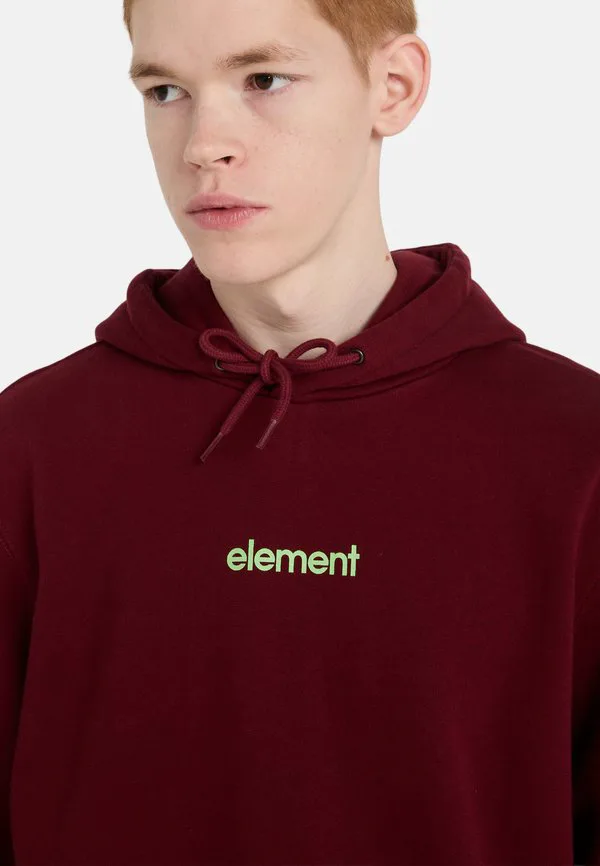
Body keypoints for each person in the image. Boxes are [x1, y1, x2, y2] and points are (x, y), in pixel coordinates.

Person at [1, 0, 599, 863]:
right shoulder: (30, 447)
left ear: (394, 87)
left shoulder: (574, 455)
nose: (203, 144)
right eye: (166, 90)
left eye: (264, 79)